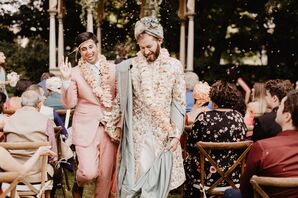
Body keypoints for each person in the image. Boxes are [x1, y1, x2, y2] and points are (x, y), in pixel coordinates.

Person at [115, 16, 186, 198]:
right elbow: (121, 101)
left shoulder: (174, 66)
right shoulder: (131, 68)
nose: (146, 51)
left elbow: (178, 103)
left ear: (159, 40)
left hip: (163, 133)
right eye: (142, 47)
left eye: (149, 46)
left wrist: (176, 134)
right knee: (138, 183)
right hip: (138, 134)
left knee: (159, 185)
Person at [59, 32, 120, 198]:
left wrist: (118, 124)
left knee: (105, 176)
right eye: (83, 49)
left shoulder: (114, 69)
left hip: (110, 127)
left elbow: (120, 99)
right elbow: (69, 103)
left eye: (91, 47)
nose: (88, 52)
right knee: (88, 172)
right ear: (80, 52)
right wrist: (65, 80)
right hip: (85, 127)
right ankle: (78, 183)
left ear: (97, 45)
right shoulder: (74, 73)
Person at [184, 80, 247, 197]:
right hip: (233, 177)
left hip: (204, 177)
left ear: (213, 98)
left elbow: (190, 145)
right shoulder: (239, 118)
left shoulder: (204, 117)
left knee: (188, 159)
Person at [241, 90, 298, 198]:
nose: (277, 109)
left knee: (230, 193)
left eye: (280, 105)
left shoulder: (262, 148)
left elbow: (245, 190)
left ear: (287, 116)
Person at [3, 90, 57, 182]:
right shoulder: (46, 121)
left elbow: (5, 150)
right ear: (39, 104)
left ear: (21, 104)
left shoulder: (8, 121)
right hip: (38, 173)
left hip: (12, 174)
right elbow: (53, 154)